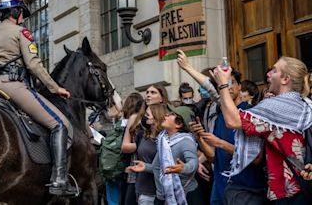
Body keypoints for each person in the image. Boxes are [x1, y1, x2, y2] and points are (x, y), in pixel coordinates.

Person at [0, 0, 77, 196]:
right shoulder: (20, 32)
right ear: (14, 12)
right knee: (59, 123)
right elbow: (33, 65)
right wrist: (55, 88)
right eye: (21, 12)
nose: (22, 17)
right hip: (11, 86)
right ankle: (59, 179)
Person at [213, 56, 312, 203]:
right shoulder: (301, 102)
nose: (268, 74)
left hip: (292, 192)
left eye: (274, 70)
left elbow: (233, 120)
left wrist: (222, 84)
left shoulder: (282, 105)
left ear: (285, 79)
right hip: (295, 188)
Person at [177, 50, 266, 205]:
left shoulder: (250, 114)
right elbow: (213, 156)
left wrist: (220, 143)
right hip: (220, 190)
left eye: (231, 83)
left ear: (239, 86)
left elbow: (256, 159)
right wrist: (201, 137)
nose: (227, 87)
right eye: (223, 85)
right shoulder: (220, 115)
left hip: (246, 192)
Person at [126, 103, 167, 204]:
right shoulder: (143, 135)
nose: (144, 117)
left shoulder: (165, 139)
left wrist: (146, 167)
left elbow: (165, 166)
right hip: (141, 188)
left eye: (148, 115)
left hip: (157, 190)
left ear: (156, 117)